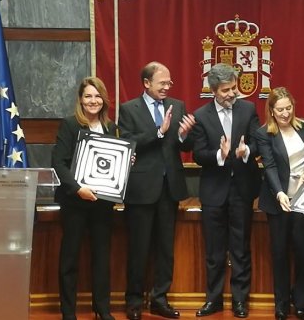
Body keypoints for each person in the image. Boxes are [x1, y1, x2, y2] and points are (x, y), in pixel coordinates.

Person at [118, 61, 196, 320]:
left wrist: (184, 135)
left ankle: (160, 299)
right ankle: (134, 302)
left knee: (165, 250)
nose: (167, 87)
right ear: (146, 83)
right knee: (139, 249)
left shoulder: (178, 105)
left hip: (169, 188)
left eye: (169, 83)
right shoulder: (129, 109)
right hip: (141, 189)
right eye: (162, 83)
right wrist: (158, 132)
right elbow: (128, 143)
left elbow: (185, 145)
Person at [191, 63, 261, 318]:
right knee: (214, 250)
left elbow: (258, 143)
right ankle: (214, 299)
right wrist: (219, 155)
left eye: (234, 88)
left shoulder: (249, 109)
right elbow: (198, 154)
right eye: (226, 90)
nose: (232, 94)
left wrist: (246, 152)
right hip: (213, 192)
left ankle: (240, 300)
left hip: (242, 189)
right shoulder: (200, 115)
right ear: (213, 91)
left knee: (241, 248)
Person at [51, 77, 118, 320]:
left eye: (97, 96)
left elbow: (112, 164)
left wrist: (125, 162)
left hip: (102, 202)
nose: (93, 101)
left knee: (102, 257)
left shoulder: (111, 127)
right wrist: (78, 188)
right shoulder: (70, 125)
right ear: (80, 99)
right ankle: (68, 312)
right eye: (88, 96)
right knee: (70, 257)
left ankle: (102, 308)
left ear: (104, 100)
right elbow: (58, 162)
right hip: (75, 202)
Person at [256, 87, 304, 320]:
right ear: (271, 110)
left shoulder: (301, 126)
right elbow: (269, 166)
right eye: (279, 110)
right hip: (278, 202)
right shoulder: (264, 133)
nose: (285, 113)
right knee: (280, 254)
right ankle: (281, 304)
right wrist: (279, 192)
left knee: (303, 251)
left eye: (288, 108)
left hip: (303, 200)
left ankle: (300, 302)